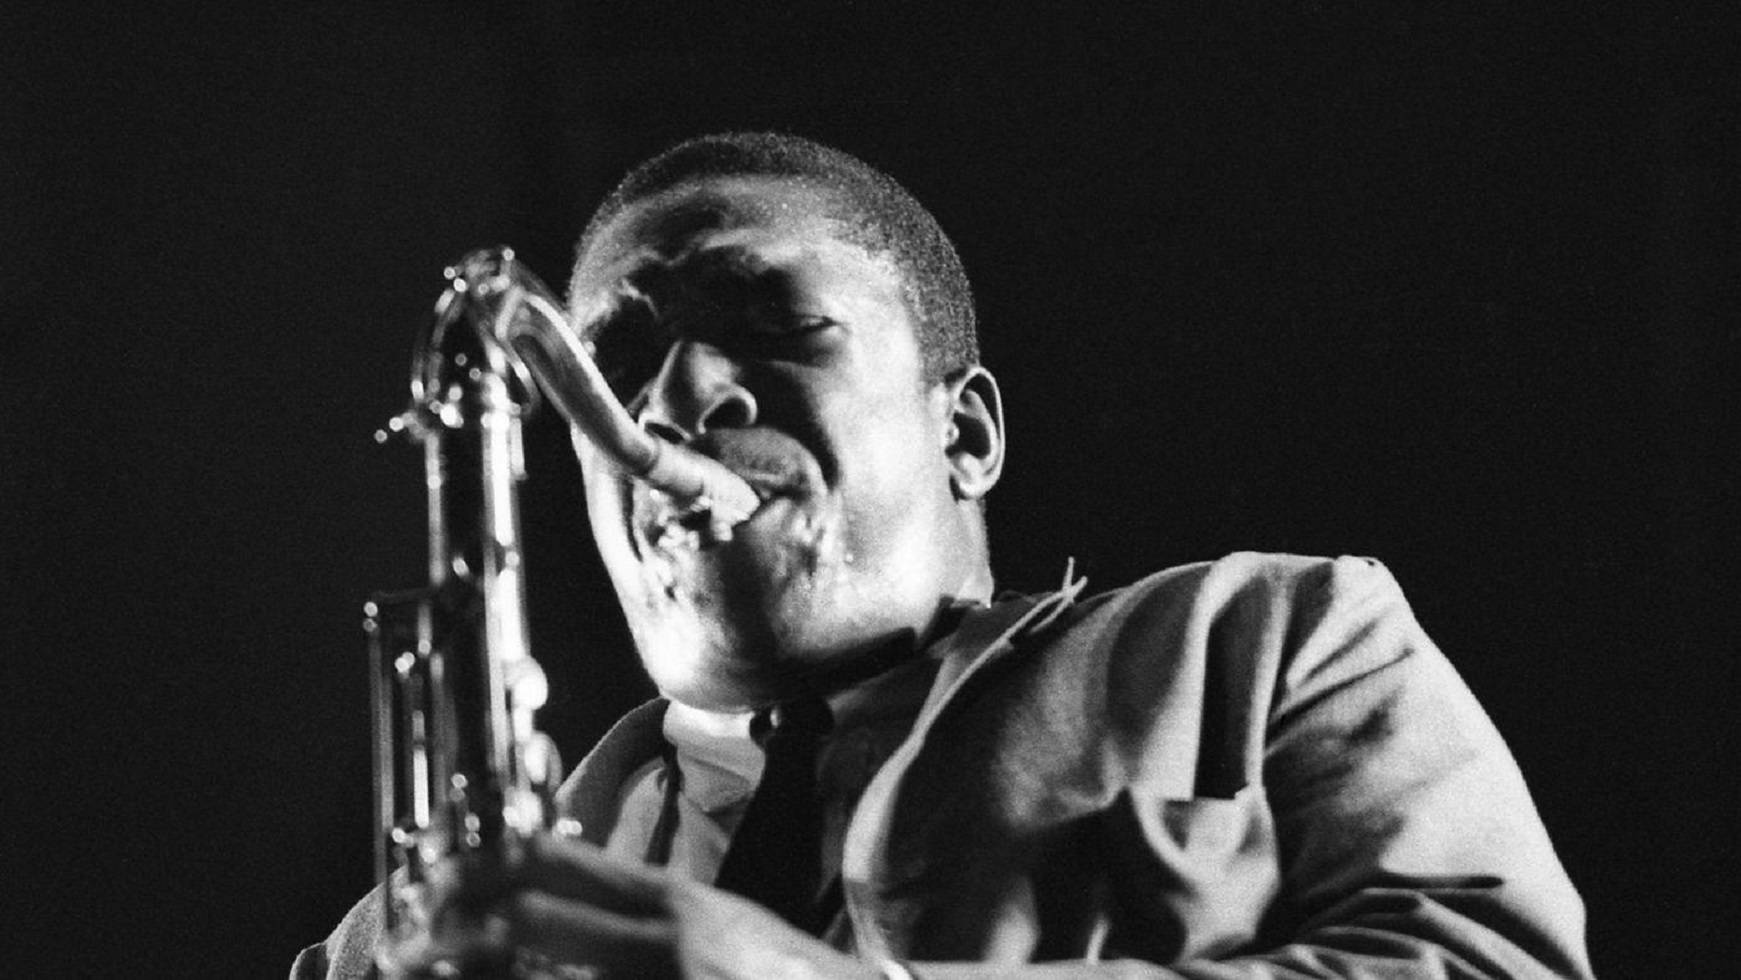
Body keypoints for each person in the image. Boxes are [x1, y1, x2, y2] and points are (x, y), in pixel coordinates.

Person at [297, 132, 1592, 978]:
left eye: (770, 324)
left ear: (963, 433)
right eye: (617, 363)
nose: (675, 402)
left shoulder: (1275, 642)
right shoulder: (403, 935)